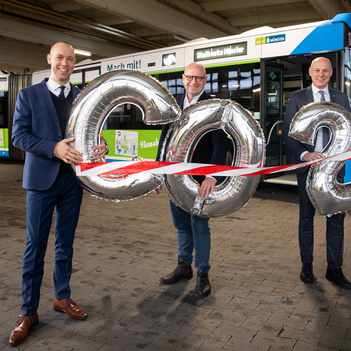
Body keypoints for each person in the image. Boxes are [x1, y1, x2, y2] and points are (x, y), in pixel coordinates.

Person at [9, 41, 107, 346]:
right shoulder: (29, 95)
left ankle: (62, 298)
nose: (65, 63)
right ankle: (28, 312)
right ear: (50, 59)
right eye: (60, 58)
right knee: (34, 247)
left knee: (65, 245)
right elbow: (18, 136)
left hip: (71, 184)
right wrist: (53, 148)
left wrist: (98, 148)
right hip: (40, 182)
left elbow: (90, 135)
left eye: (71, 59)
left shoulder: (82, 96)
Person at [155, 62, 228, 297]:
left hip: (200, 181)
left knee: (200, 226)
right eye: (190, 77)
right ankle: (184, 267)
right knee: (181, 226)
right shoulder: (173, 105)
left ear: (205, 81)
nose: (193, 82)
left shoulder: (212, 107)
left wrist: (212, 177)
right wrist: (159, 174)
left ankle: (203, 274)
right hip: (175, 178)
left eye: (199, 78)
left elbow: (220, 145)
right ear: (183, 78)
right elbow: (164, 140)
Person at [283, 57, 351, 289]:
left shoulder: (341, 98)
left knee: (336, 219)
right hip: (308, 168)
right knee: (306, 219)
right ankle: (307, 265)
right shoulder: (297, 97)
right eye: (317, 70)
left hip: (335, 169)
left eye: (325, 71)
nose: (321, 74)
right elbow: (289, 133)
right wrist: (305, 155)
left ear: (331, 73)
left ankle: (334, 269)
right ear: (310, 72)